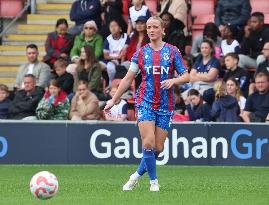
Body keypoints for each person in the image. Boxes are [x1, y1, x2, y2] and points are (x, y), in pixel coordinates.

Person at [104, 16, 189, 191]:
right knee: (148, 142)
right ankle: (154, 183)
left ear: (162, 30)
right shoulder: (141, 53)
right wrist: (114, 99)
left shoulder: (173, 51)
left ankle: (135, 176)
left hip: (166, 105)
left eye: (155, 27)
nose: (151, 30)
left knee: (157, 148)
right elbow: (128, 78)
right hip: (144, 102)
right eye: (149, 27)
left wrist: (173, 81)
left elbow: (186, 76)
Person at [102, 19, 130, 86]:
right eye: (111, 26)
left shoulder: (126, 37)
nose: (113, 28)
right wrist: (116, 57)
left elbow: (124, 51)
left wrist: (121, 60)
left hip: (125, 59)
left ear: (120, 28)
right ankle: (111, 84)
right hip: (113, 59)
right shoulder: (108, 39)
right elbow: (105, 56)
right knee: (110, 66)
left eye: (115, 26)